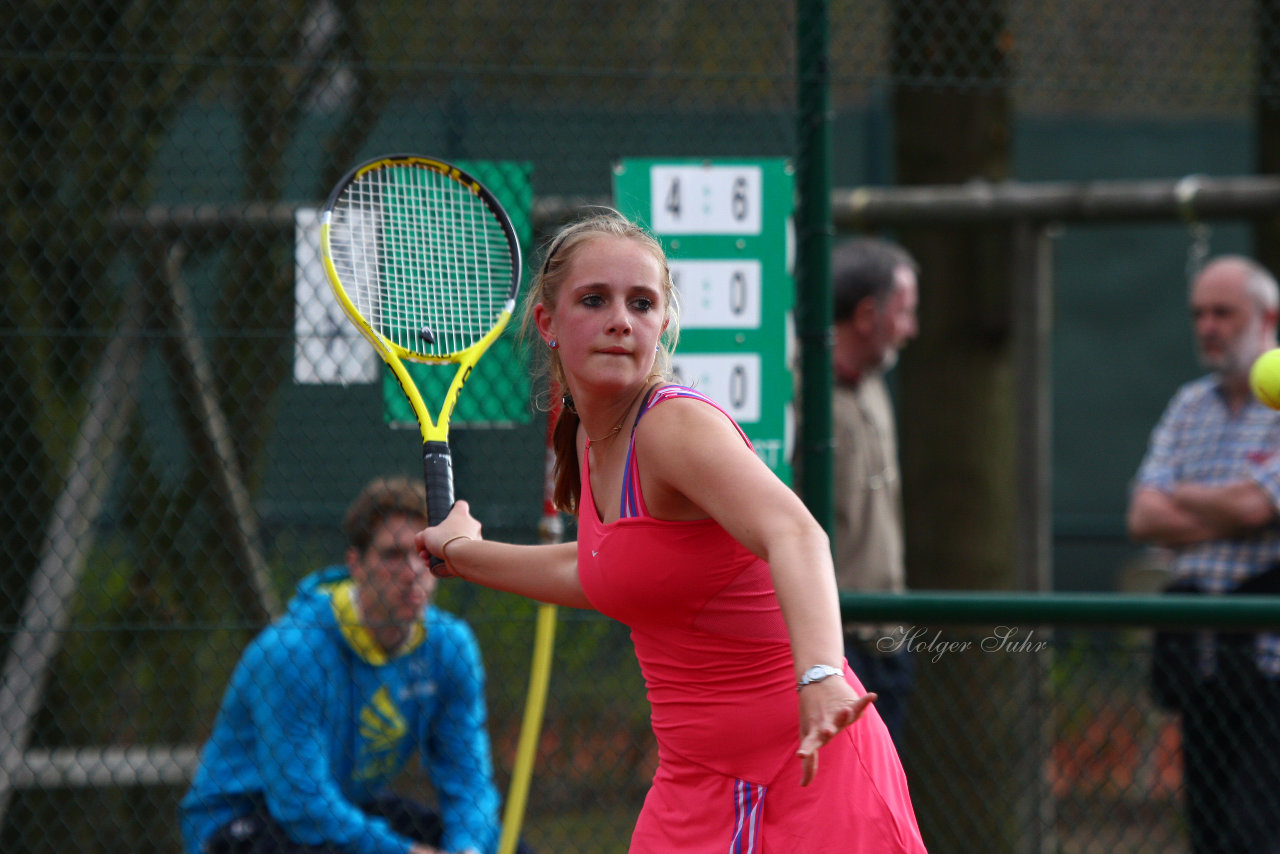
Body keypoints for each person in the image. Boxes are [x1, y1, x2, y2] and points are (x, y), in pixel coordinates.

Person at [416, 209, 927, 853]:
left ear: (662, 325)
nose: (620, 319)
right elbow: (597, 569)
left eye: (642, 302)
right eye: (594, 300)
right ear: (547, 323)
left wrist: (822, 673)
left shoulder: (672, 426)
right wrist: (463, 552)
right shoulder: (592, 444)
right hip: (695, 787)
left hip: (807, 770)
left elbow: (797, 534)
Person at [181, 476, 522, 854]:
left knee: (505, 847)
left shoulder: (450, 647)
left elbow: (469, 782)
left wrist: (468, 849)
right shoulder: (290, 652)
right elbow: (302, 806)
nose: (412, 572)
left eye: (425, 555)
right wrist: (404, 852)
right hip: (241, 823)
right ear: (356, 564)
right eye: (393, 555)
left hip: (346, 807)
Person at [1127, 255, 1280, 854]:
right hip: (1204, 663)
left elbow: (1256, 508)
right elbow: (1142, 515)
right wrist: (1235, 504)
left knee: (1256, 834)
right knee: (1210, 832)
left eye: (1223, 312)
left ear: (1268, 317)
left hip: (1272, 660)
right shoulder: (1190, 404)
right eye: (1198, 314)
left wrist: (1182, 498)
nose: (1207, 326)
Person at [829, 236, 920, 746]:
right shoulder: (799, 392)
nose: (911, 330)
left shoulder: (872, 385)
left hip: (887, 637)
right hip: (832, 641)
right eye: (904, 313)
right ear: (866, 315)